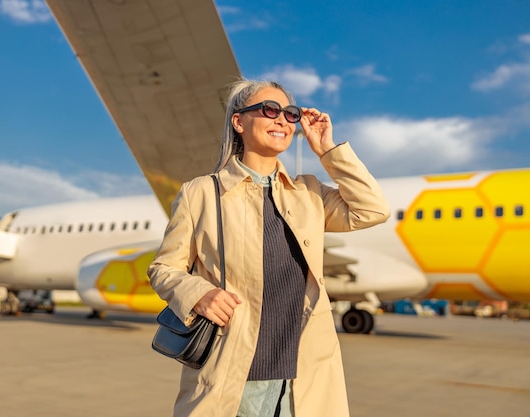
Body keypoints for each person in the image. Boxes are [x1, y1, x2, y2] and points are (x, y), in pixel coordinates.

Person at [148, 79, 390, 417]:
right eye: (269, 110)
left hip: (304, 377)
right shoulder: (201, 193)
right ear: (239, 121)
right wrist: (198, 293)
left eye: (289, 114)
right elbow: (164, 269)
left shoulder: (309, 192)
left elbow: (372, 210)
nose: (282, 120)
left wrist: (327, 150)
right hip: (234, 374)